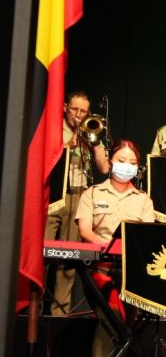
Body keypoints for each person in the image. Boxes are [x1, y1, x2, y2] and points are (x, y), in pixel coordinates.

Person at [74, 139, 156, 357]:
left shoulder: (144, 200)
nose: (127, 166)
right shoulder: (93, 193)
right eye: (121, 160)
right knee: (111, 321)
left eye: (132, 163)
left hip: (131, 274)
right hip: (101, 269)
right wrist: (104, 245)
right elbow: (85, 229)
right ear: (110, 162)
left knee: (125, 331)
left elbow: (146, 236)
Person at [45, 91, 111, 314]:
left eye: (84, 111)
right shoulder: (53, 129)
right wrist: (68, 144)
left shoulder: (89, 131)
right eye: (75, 109)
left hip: (79, 196)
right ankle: (31, 311)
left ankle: (59, 313)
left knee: (68, 260)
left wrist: (95, 144)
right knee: (42, 255)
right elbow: (45, 156)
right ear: (65, 107)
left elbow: (103, 168)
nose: (79, 115)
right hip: (54, 196)